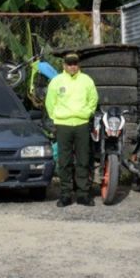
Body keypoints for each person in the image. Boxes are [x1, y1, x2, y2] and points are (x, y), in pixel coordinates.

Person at [45, 52, 98, 207]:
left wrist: (87, 113)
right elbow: (50, 102)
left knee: (83, 160)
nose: (72, 66)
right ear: (64, 65)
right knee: (64, 161)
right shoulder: (56, 81)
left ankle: (83, 194)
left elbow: (93, 99)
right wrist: (56, 118)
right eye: (69, 64)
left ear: (78, 64)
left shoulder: (86, 80)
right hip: (63, 125)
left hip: (81, 124)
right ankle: (65, 195)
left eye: (75, 63)